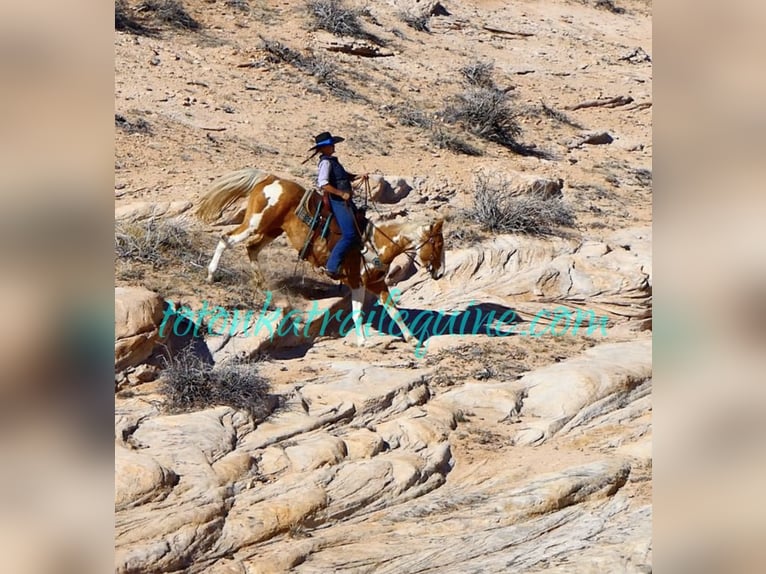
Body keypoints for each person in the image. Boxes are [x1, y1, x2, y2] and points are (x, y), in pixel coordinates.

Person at [308, 131, 368, 279]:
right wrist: (341, 194)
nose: (333, 146)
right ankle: (332, 266)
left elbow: (342, 176)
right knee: (349, 234)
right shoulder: (325, 162)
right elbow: (323, 184)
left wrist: (358, 176)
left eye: (332, 144)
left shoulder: (332, 161)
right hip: (337, 202)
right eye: (330, 145)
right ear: (323, 148)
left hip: (345, 201)